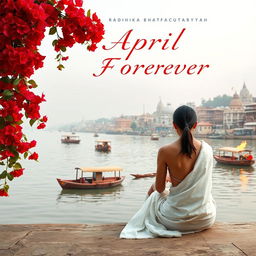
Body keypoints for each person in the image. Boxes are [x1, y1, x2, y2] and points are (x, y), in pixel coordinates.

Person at [120, 105, 216, 239]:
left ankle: (145, 219)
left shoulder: (165, 151)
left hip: (174, 221)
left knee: (153, 193)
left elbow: (159, 189)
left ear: (174, 125)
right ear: (196, 125)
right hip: (205, 219)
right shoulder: (208, 149)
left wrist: (168, 179)